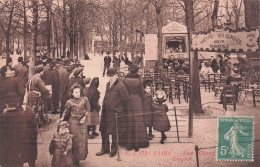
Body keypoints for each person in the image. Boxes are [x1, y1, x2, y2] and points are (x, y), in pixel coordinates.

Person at [97, 67, 129, 157]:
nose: (111, 78)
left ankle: (114, 149)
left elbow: (126, 100)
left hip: (115, 113)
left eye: (112, 76)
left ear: (116, 75)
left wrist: (119, 110)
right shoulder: (108, 84)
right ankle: (105, 148)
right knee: (104, 131)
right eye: (109, 76)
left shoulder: (121, 86)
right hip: (106, 112)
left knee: (114, 132)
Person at [59, 84, 90, 167]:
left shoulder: (85, 99)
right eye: (76, 92)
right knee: (74, 141)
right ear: (72, 93)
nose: (78, 93)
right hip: (73, 123)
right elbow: (66, 111)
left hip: (82, 123)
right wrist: (62, 117)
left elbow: (88, 109)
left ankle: (79, 159)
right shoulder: (69, 102)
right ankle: (73, 160)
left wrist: (84, 117)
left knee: (82, 142)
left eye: (79, 92)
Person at [123, 65, 149, 151]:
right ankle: (139, 143)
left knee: (129, 120)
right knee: (138, 120)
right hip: (137, 101)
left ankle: (129, 144)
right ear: (136, 71)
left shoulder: (125, 80)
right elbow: (142, 93)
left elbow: (124, 92)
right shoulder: (139, 80)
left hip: (129, 101)